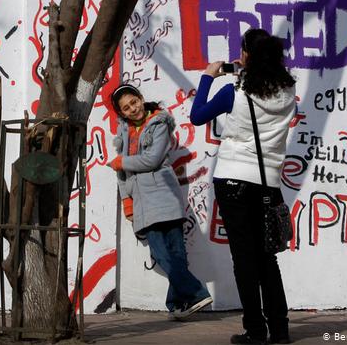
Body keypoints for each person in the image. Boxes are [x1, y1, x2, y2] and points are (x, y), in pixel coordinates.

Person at [190, 28, 296, 344]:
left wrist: (209, 76)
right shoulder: (288, 92)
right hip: (268, 182)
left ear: (246, 55)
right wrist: (249, 68)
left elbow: (197, 116)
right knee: (268, 258)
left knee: (245, 258)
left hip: (234, 180)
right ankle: (280, 329)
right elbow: (267, 85)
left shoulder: (233, 92)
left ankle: (254, 329)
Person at [107, 84, 213, 320]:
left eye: (134, 102)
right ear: (121, 113)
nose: (133, 109)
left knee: (175, 253)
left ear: (141, 99)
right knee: (163, 253)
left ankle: (190, 296)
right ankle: (179, 301)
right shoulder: (124, 134)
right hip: (143, 202)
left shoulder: (159, 124)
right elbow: (121, 174)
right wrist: (127, 202)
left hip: (165, 193)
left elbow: (152, 160)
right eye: (126, 108)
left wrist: (122, 162)